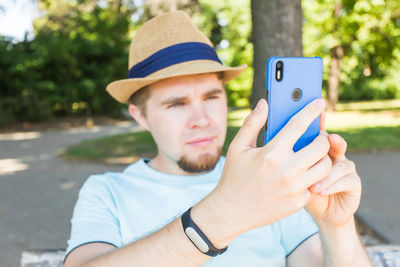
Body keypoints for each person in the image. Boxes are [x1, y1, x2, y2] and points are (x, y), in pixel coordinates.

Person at [64, 10, 372, 267]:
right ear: (139, 115)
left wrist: (338, 225)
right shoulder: (107, 192)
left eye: (211, 97)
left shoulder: (271, 180)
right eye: (177, 104)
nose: (202, 120)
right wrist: (224, 213)